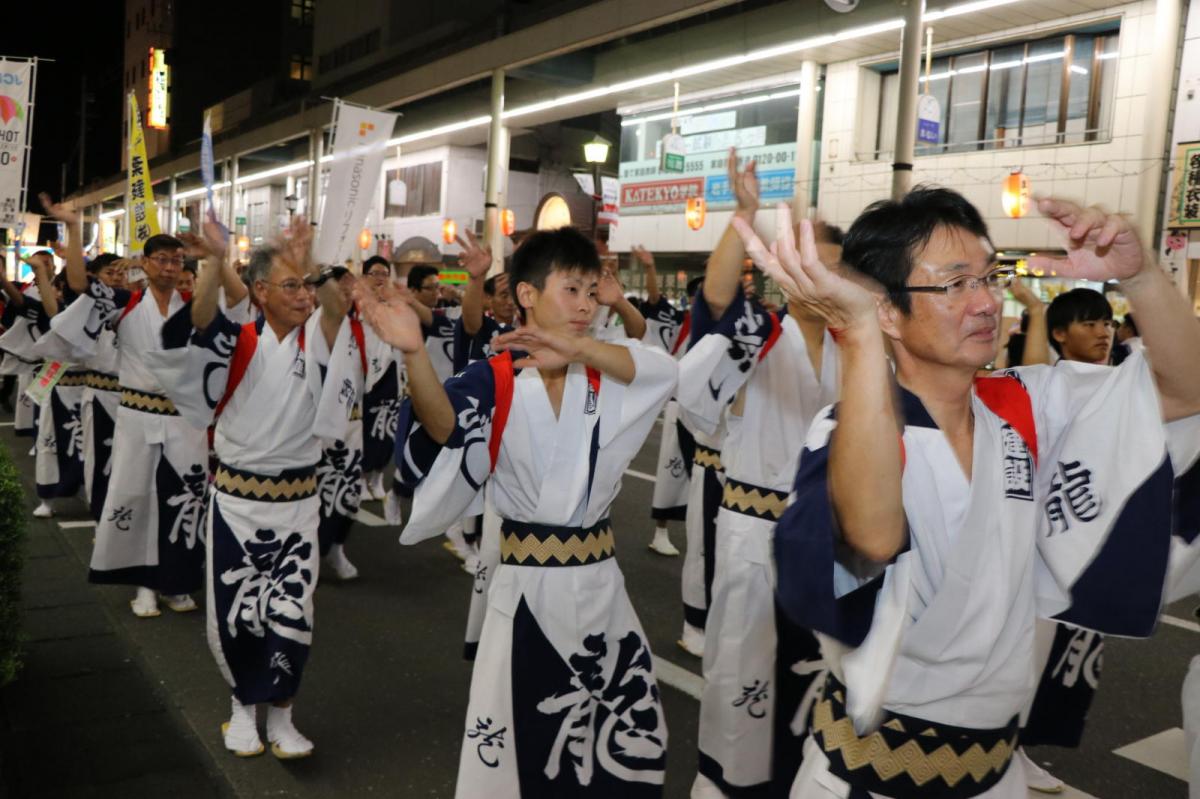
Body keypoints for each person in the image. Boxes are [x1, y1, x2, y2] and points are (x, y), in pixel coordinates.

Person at [744, 188, 1200, 799]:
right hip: (871, 780)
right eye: (955, 284)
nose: (987, 303)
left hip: (995, 771)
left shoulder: (1020, 402)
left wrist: (1141, 275)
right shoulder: (852, 430)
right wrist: (854, 333)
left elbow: (1186, 391)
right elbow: (868, 542)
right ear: (887, 311)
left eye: (989, 276)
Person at [357, 225, 676, 797]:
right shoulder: (497, 375)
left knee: (625, 737)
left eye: (589, 291)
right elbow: (445, 429)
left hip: (601, 584)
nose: (584, 304)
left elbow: (665, 371)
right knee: (523, 747)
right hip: (528, 587)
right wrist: (412, 355)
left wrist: (577, 347)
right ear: (527, 295)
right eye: (570, 290)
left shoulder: (609, 366)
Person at [146, 214, 349, 759]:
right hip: (238, 502)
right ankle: (241, 705)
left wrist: (312, 261)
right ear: (259, 292)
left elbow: (337, 310)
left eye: (306, 285)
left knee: (293, 610)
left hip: (299, 502)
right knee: (238, 609)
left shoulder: (321, 341)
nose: (304, 295)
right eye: (291, 285)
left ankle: (283, 713)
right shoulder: (237, 340)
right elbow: (200, 319)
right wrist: (214, 260)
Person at [680, 150, 839, 798]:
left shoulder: (865, 349)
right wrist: (744, 213)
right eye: (801, 255)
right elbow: (717, 304)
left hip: (834, 541)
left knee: (819, 681)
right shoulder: (760, 334)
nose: (814, 270)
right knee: (741, 674)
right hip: (755, 532)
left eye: (827, 259)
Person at [51, 212, 247, 617]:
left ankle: (175, 584)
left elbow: (242, 301)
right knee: (137, 496)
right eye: (162, 260)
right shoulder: (127, 302)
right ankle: (143, 584)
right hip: (137, 415)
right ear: (145, 262)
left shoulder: (194, 306)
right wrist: (73, 227)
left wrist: (218, 256)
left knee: (183, 501)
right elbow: (76, 284)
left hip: (184, 420)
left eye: (177, 261)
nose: (171, 268)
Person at [633, 244, 694, 558]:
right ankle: (660, 532)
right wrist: (649, 268)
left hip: (710, 413)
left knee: (704, 476)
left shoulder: (727, 330)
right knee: (673, 469)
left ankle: (700, 534)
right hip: (678, 404)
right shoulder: (680, 320)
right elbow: (655, 301)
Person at [0, 249, 53, 440]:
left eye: (47, 263)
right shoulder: (26, 290)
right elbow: (18, 303)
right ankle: (38, 441)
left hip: (56, 364)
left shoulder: (62, 290)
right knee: (33, 407)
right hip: (31, 360)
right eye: (38, 265)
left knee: (50, 409)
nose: (43, 268)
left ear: (54, 265)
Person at [1046, 287, 1114, 364]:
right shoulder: (1046, 375)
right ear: (1059, 334)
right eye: (1090, 324)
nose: (1104, 334)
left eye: (1106, 324)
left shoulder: (1114, 374)